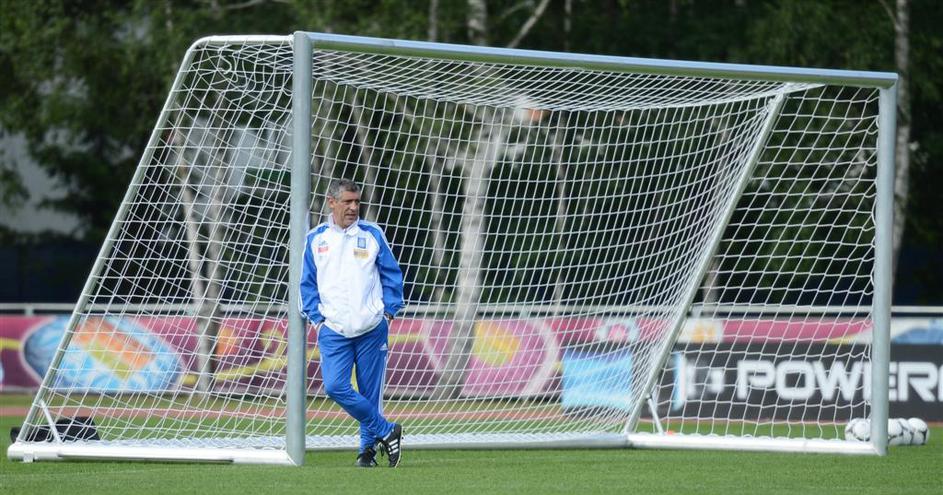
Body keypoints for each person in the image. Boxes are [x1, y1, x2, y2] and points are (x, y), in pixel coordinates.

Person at [300, 178, 404, 468]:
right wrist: (318, 321)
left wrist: (388, 313)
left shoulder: (372, 234)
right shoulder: (315, 238)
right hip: (333, 330)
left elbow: (392, 275)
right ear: (332, 202)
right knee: (335, 386)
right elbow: (306, 285)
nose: (353, 207)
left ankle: (366, 453)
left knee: (371, 393)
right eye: (347, 201)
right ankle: (387, 431)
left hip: (372, 328)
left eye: (357, 201)